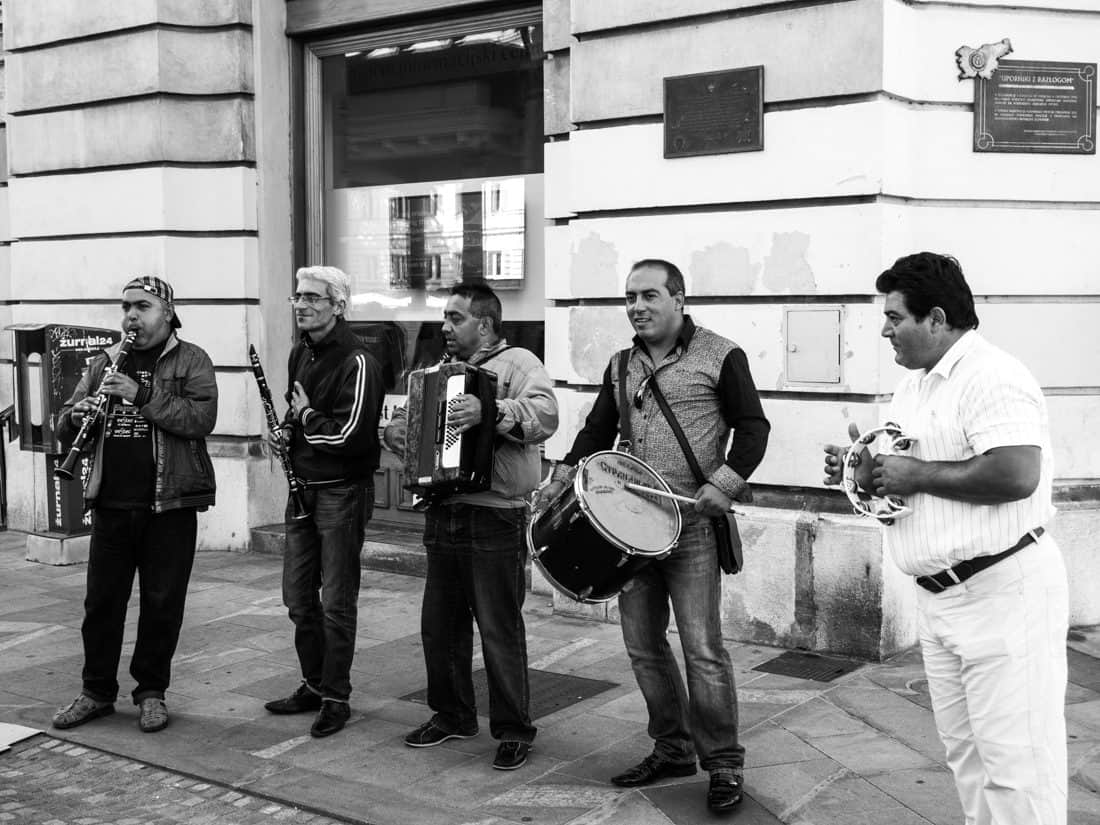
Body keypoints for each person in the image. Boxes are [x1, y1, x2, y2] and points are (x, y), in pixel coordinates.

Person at [823, 252, 1067, 825]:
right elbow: (908, 479)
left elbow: (1015, 474)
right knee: (968, 758)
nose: (884, 330)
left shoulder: (993, 376)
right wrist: (866, 471)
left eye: (894, 317)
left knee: (1017, 764)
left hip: (1004, 593)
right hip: (939, 597)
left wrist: (917, 474)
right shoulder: (913, 388)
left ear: (936, 318)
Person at [538, 259, 770, 812]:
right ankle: (671, 747)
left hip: (692, 530)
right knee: (643, 648)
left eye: (648, 295)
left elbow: (754, 426)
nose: (636, 306)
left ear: (679, 299)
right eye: (629, 297)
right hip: (629, 531)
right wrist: (565, 475)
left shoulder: (721, 354)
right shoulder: (621, 363)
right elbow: (597, 430)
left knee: (703, 650)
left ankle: (724, 764)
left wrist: (726, 482)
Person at [384, 282, 558, 771]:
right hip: (443, 512)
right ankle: (452, 714)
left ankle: (514, 729)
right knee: (439, 628)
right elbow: (413, 434)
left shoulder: (519, 362)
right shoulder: (433, 374)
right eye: (444, 317)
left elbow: (546, 415)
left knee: (499, 629)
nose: (444, 326)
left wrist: (494, 410)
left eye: (455, 317)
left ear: (484, 324)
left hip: (495, 515)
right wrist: (397, 434)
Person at [52, 276, 218, 734]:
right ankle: (96, 691)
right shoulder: (104, 361)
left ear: (167, 311)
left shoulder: (192, 360)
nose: (130, 316)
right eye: (126, 306)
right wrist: (76, 416)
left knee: (162, 604)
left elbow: (201, 418)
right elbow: (63, 422)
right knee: (101, 604)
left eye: (142, 306)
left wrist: (141, 394)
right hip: (111, 502)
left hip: (170, 504)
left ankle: (151, 692)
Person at [263, 266, 384, 738]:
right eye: (297, 296)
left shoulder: (357, 361)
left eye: (313, 298)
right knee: (297, 599)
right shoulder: (300, 352)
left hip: (341, 492)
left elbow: (351, 437)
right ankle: (313, 684)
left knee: (335, 601)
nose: (301, 304)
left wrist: (307, 417)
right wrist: (286, 432)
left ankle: (336, 696)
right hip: (303, 490)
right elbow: (298, 415)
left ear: (338, 305)